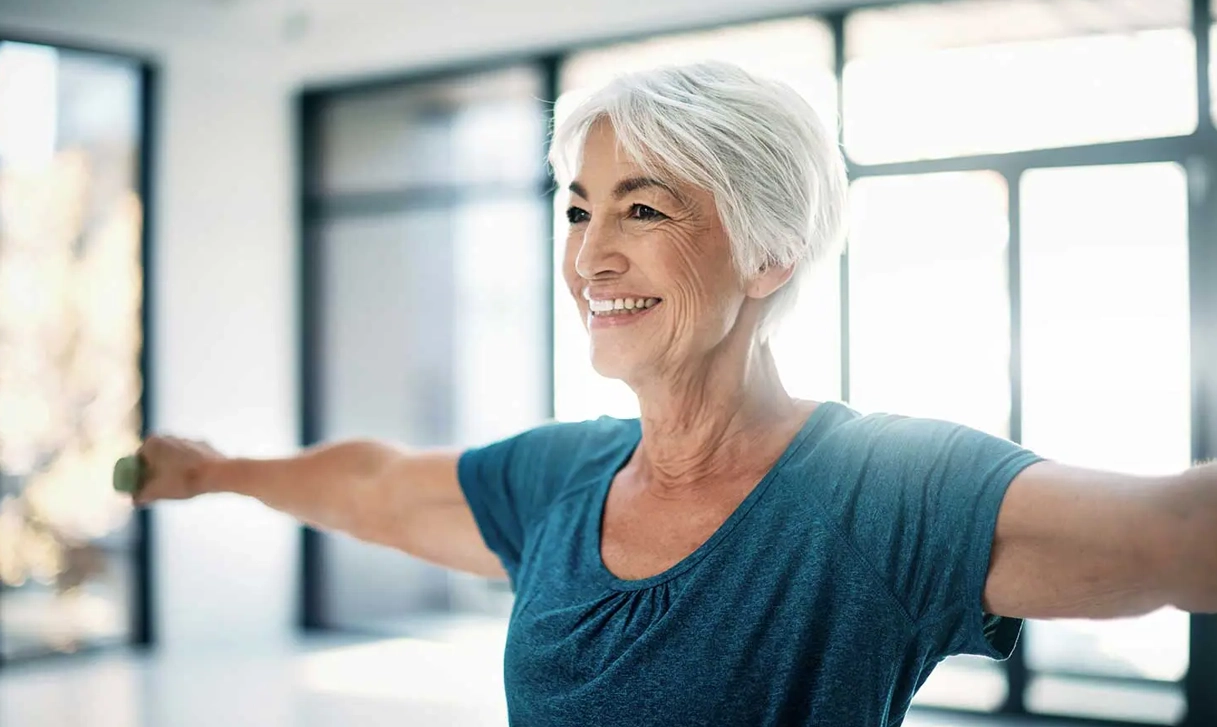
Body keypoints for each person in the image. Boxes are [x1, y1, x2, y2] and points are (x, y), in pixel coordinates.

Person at [131, 62, 1217, 726]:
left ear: (768, 253)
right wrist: (217, 472)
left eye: (643, 211)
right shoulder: (562, 479)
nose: (590, 257)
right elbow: (373, 483)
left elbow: (1177, 530)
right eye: (576, 210)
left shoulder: (881, 495)